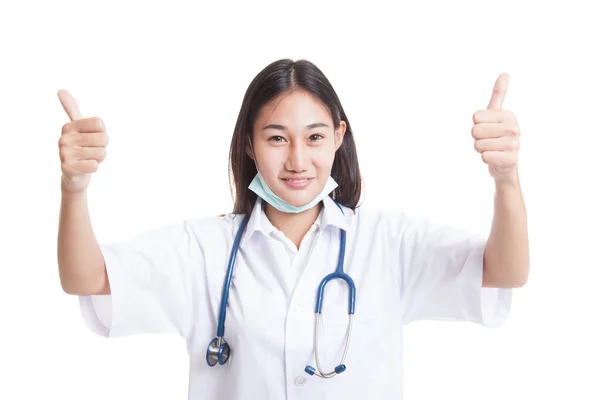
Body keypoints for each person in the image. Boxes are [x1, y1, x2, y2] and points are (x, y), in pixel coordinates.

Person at [56, 58, 529, 399]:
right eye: (277, 138)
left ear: (339, 137)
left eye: (315, 137)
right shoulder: (205, 249)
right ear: (249, 144)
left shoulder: (388, 242)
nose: (298, 160)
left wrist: (506, 179)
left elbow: (504, 272)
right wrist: (74, 189)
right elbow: (87, 278)